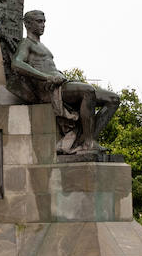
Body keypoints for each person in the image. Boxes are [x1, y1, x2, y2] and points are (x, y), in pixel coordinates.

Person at [11, 10, 121, 155]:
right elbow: (17, 64)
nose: (43, 25)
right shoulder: (26, 43)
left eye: (44, 21)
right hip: (50, 89)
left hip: (62, 84)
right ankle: (88, 143)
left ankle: (87, 139)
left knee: (113, 99)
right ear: (27, 24)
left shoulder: (42, 46)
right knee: (88, 91)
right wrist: (46, 77)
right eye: (39, 21)